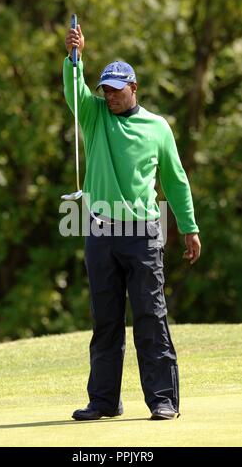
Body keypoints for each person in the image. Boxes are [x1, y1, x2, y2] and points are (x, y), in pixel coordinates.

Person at [63, 24, 201, 421]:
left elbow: (175, 181)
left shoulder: (157, 127)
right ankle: (104, 401)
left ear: (134, 87)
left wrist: (189, 227)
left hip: (143, 235)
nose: (109, 96)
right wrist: (75, 57)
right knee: (105, 320)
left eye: (116, 90)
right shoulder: (93, 116)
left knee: (149, 317)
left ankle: (163, 400)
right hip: (101, 233)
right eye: (105, 89)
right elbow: (73, 90)